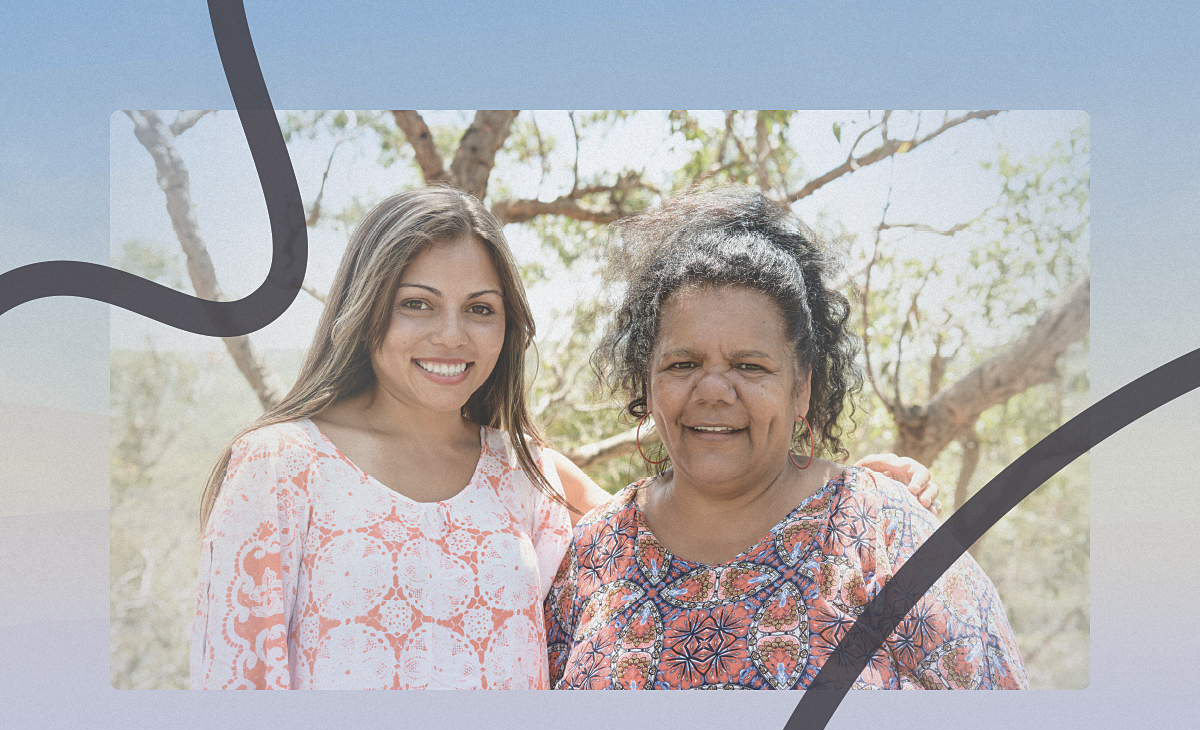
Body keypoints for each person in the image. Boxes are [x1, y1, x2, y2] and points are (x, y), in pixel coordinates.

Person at [190, 185, 937, 690]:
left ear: (507, 326)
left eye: (480, 309)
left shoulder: (519, 474)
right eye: (418, 304)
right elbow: (232, 713)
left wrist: (843, 494)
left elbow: (681, 525)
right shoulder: (281, 466)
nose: (451, 335)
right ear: (366, 307)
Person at [545, 189, 1027, 690]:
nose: (712, 389)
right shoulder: (594, 553)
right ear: (647, 382)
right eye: (682, 364)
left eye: (749, 366)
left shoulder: (885, 535)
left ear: (802, 390)